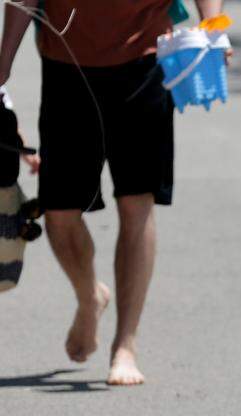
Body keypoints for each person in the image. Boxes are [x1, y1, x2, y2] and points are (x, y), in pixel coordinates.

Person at [0, 0, 228, 385]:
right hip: (66, 64)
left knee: (136, 201)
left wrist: (213, 25)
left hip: (145, 60)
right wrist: (3, 61)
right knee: (59, 212)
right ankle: (90, 296)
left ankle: (125, 345)